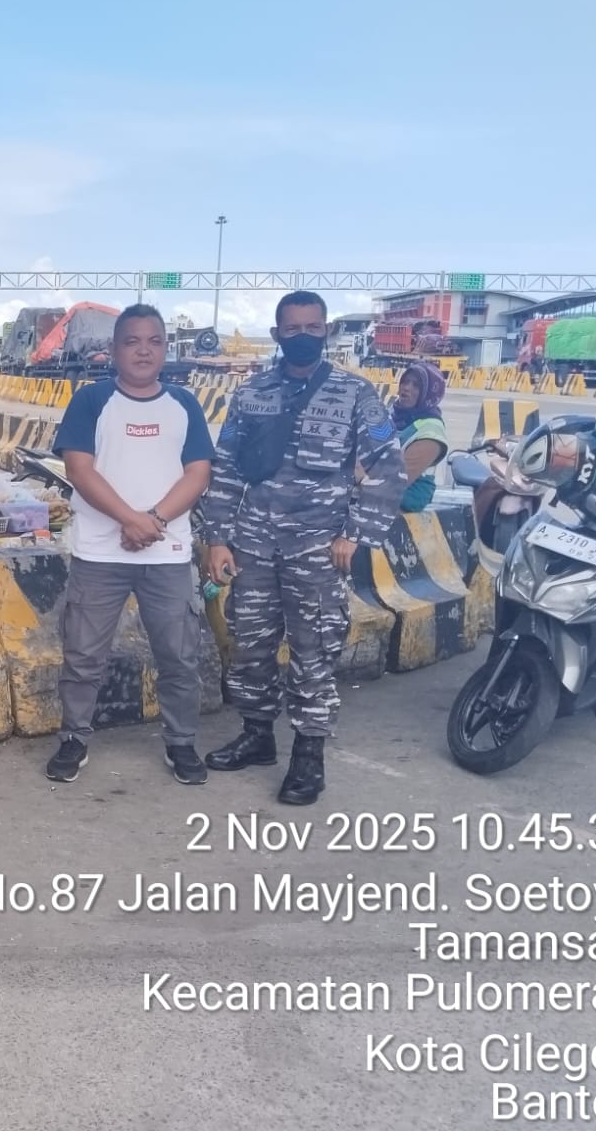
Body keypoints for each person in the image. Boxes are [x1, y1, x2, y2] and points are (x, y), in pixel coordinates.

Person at [199, 291, 407, 805]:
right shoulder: (251, 394)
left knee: (313, 651)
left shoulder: (355, 393)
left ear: (327, 331)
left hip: (318, 547)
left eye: (313, 328)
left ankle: (308, 754)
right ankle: (257, 735)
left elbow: (388, 464)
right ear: (276, 335)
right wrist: (217, 538)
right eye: (292, 329)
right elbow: (226, 469)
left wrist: (355, 532)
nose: (303, 337)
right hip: (252, 544)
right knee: (250, 643)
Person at [47, 305, 215, 785]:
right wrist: (129, 519)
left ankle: (181, 743)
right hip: (100, 552)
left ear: (166, 348)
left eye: (154, 341)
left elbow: (198, 473)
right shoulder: (91, 401)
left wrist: (153, 521)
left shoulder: (184, 404)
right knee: (83, 655)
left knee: (179, 656)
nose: (144, 351)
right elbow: (79, 470)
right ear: (114, 349)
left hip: (167, 553)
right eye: (132, 341)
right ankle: (74, 739)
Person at [391, 362, 450, 512]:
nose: (406, 388)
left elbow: (397, 480)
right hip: (376, 488)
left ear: (428, 393)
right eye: (405, 381)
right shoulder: (393, 414)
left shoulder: (431, 430)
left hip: (405, 499)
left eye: (416, 385)